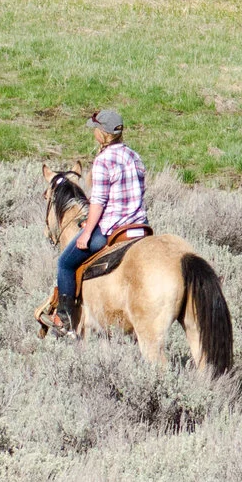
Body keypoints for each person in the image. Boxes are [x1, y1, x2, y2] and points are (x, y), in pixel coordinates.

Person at [55, 108, 147, 329]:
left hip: (112, 230)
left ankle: (65, 317)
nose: (94, 132)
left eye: (96, 129)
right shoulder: (134, 156)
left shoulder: (104, 160)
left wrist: (87, 233)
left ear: (103, 133)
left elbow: (98, 202)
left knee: (65, 263)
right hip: (139, 227)